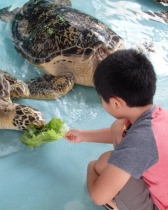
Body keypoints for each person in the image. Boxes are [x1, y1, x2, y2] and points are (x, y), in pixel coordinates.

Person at [65, 49, 168, 210]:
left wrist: (90, 167)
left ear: (115, 103)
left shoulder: (140, 142)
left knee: (103, 163)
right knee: (119, 127)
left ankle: (118, 206)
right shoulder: (155, 115)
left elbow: (99, 196)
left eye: (102, 99)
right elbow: (124, 132)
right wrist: (83, 135)